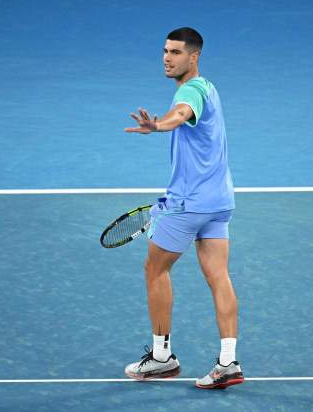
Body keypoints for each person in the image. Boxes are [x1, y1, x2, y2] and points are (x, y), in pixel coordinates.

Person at [123, 27, 243, 389]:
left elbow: (179, 114)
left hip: (188, 205)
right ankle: (228, 362)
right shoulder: (210, 88)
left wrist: (157, 125)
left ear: (194, 57)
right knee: (218, 276)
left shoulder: (190, 92)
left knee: (155, 270)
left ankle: (162, 357)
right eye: (164, 51)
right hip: (220, 201)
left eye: (175, 52)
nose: (167, 58)